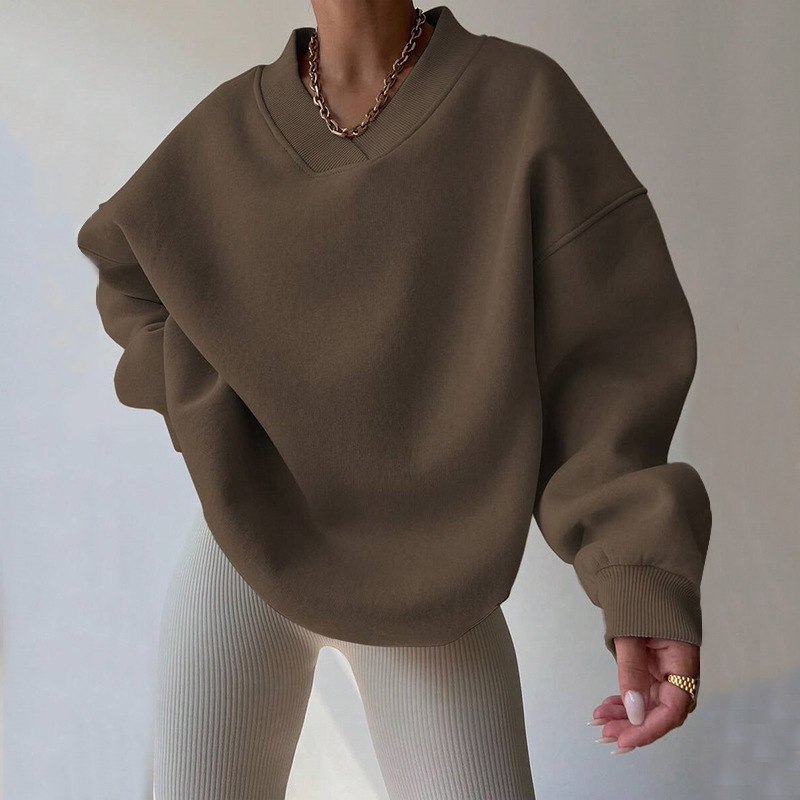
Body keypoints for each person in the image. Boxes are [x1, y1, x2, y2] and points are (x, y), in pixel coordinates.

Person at [77, 2, 712, 797]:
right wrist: (213, 413)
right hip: (240, 566)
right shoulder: (231, 128)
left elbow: (609, 367)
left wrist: (639, 583)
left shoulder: (520, 106)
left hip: (433, 594)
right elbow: (129, 275)